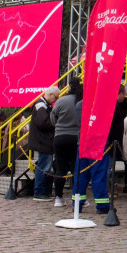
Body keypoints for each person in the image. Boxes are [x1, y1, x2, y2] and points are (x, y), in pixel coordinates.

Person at [75, 96, 113, 215]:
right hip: (98, 143)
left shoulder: (80, 104)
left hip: (83, 142)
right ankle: (102, 205)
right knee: (99, 175)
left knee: (80, 176)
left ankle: (77, 204)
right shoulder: (102, 104)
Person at [51, 78, 82, 208]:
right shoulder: (81, 101)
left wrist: (58, 127)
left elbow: (53, 116)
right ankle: (78, 198)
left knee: (61, 168)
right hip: (76, 137)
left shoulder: (62, 100)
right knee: (77, 169)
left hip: (60, 137)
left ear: (69, 87)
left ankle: (58, 197)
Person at [29, 87, 59, 202]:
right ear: (50, 95)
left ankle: (43, 191)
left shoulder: (42, 105)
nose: (55, 100)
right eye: (55, 97)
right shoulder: (41, 105)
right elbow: (43, 123)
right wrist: (54, 122)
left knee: (45, 166)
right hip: (43, 141)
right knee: (43, 167)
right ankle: (39, 192)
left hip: (44, 141)